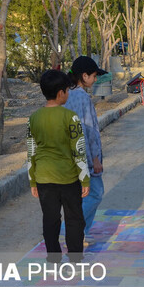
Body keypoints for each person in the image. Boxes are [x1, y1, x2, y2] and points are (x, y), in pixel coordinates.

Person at [27, 70, 90, 263]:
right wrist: (84, 178)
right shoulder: (71, 117)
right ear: (61, 93)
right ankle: (75, 256)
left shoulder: (34, 118)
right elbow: (78, 150)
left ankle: (53, 257)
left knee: (50, 219)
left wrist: (32, 181)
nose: (68, 94)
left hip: (44, 178)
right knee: (74, 219)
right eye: (67, 91)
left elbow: (31, 152)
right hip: (69, 178)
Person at [64, 56, 107, 234]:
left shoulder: (66, 94)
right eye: (94, 76)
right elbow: (89, 131)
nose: (95, 80)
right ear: (84, 75)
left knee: (81, 195)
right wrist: (95, 158)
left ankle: (79, 232)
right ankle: (71, 229)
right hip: (85, 155)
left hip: (68, 154)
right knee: (95, 193)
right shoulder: (83, 98)